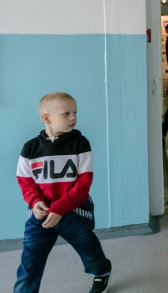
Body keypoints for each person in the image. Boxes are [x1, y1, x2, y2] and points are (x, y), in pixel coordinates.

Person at [14, 92, 112, 293]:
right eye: (66, 114)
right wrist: (35, 202)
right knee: (29, 263)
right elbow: (25, 181)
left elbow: (84, 182)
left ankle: (102, 271)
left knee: (89, 250)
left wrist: (60, 208)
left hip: (74, 213)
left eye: (75, 112)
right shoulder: (30, 148)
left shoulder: (80, 143)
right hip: (40, 216)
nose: (73, 117)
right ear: (46, 118)